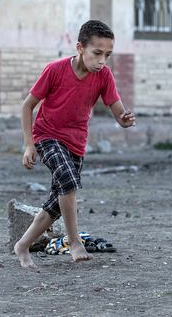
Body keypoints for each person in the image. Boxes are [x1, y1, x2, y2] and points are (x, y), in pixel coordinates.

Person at [14, 20, 136, 269]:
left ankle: (22, 245)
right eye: (97, 53)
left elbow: (118, 112)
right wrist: (29, 145)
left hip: (76, 144)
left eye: (108, 55)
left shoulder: (103, 76)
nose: (102, 61)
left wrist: (125, 120)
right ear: (80, 47)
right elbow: (27, 106)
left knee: (55, 205)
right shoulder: (55, 70)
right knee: (68, 183)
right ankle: (74, 241)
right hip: (46, 136)